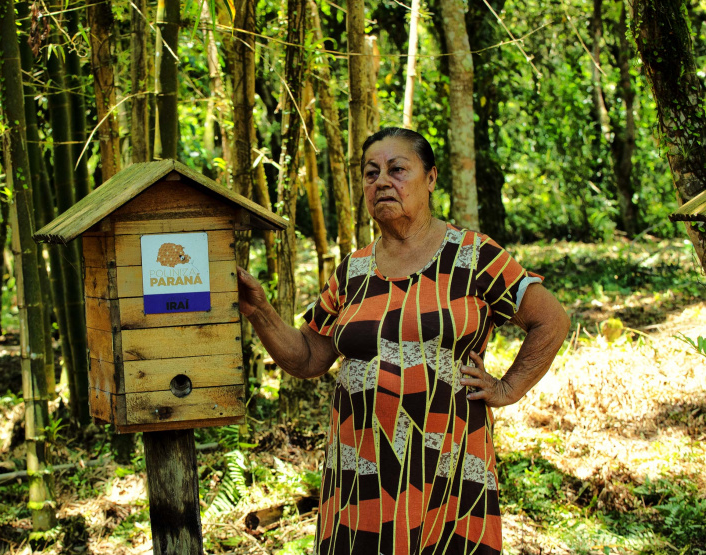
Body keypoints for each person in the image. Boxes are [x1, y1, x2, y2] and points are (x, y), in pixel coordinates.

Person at [237, 127, 571, 554]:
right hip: (361, 468)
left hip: (447, 467)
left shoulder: (472, 256)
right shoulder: (353, 271)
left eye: (397, 170)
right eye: (371, 173)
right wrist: (261, 311)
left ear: (430, 178)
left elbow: (551, 320)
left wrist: (507, 388)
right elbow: (308, 357)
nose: (382, 182)